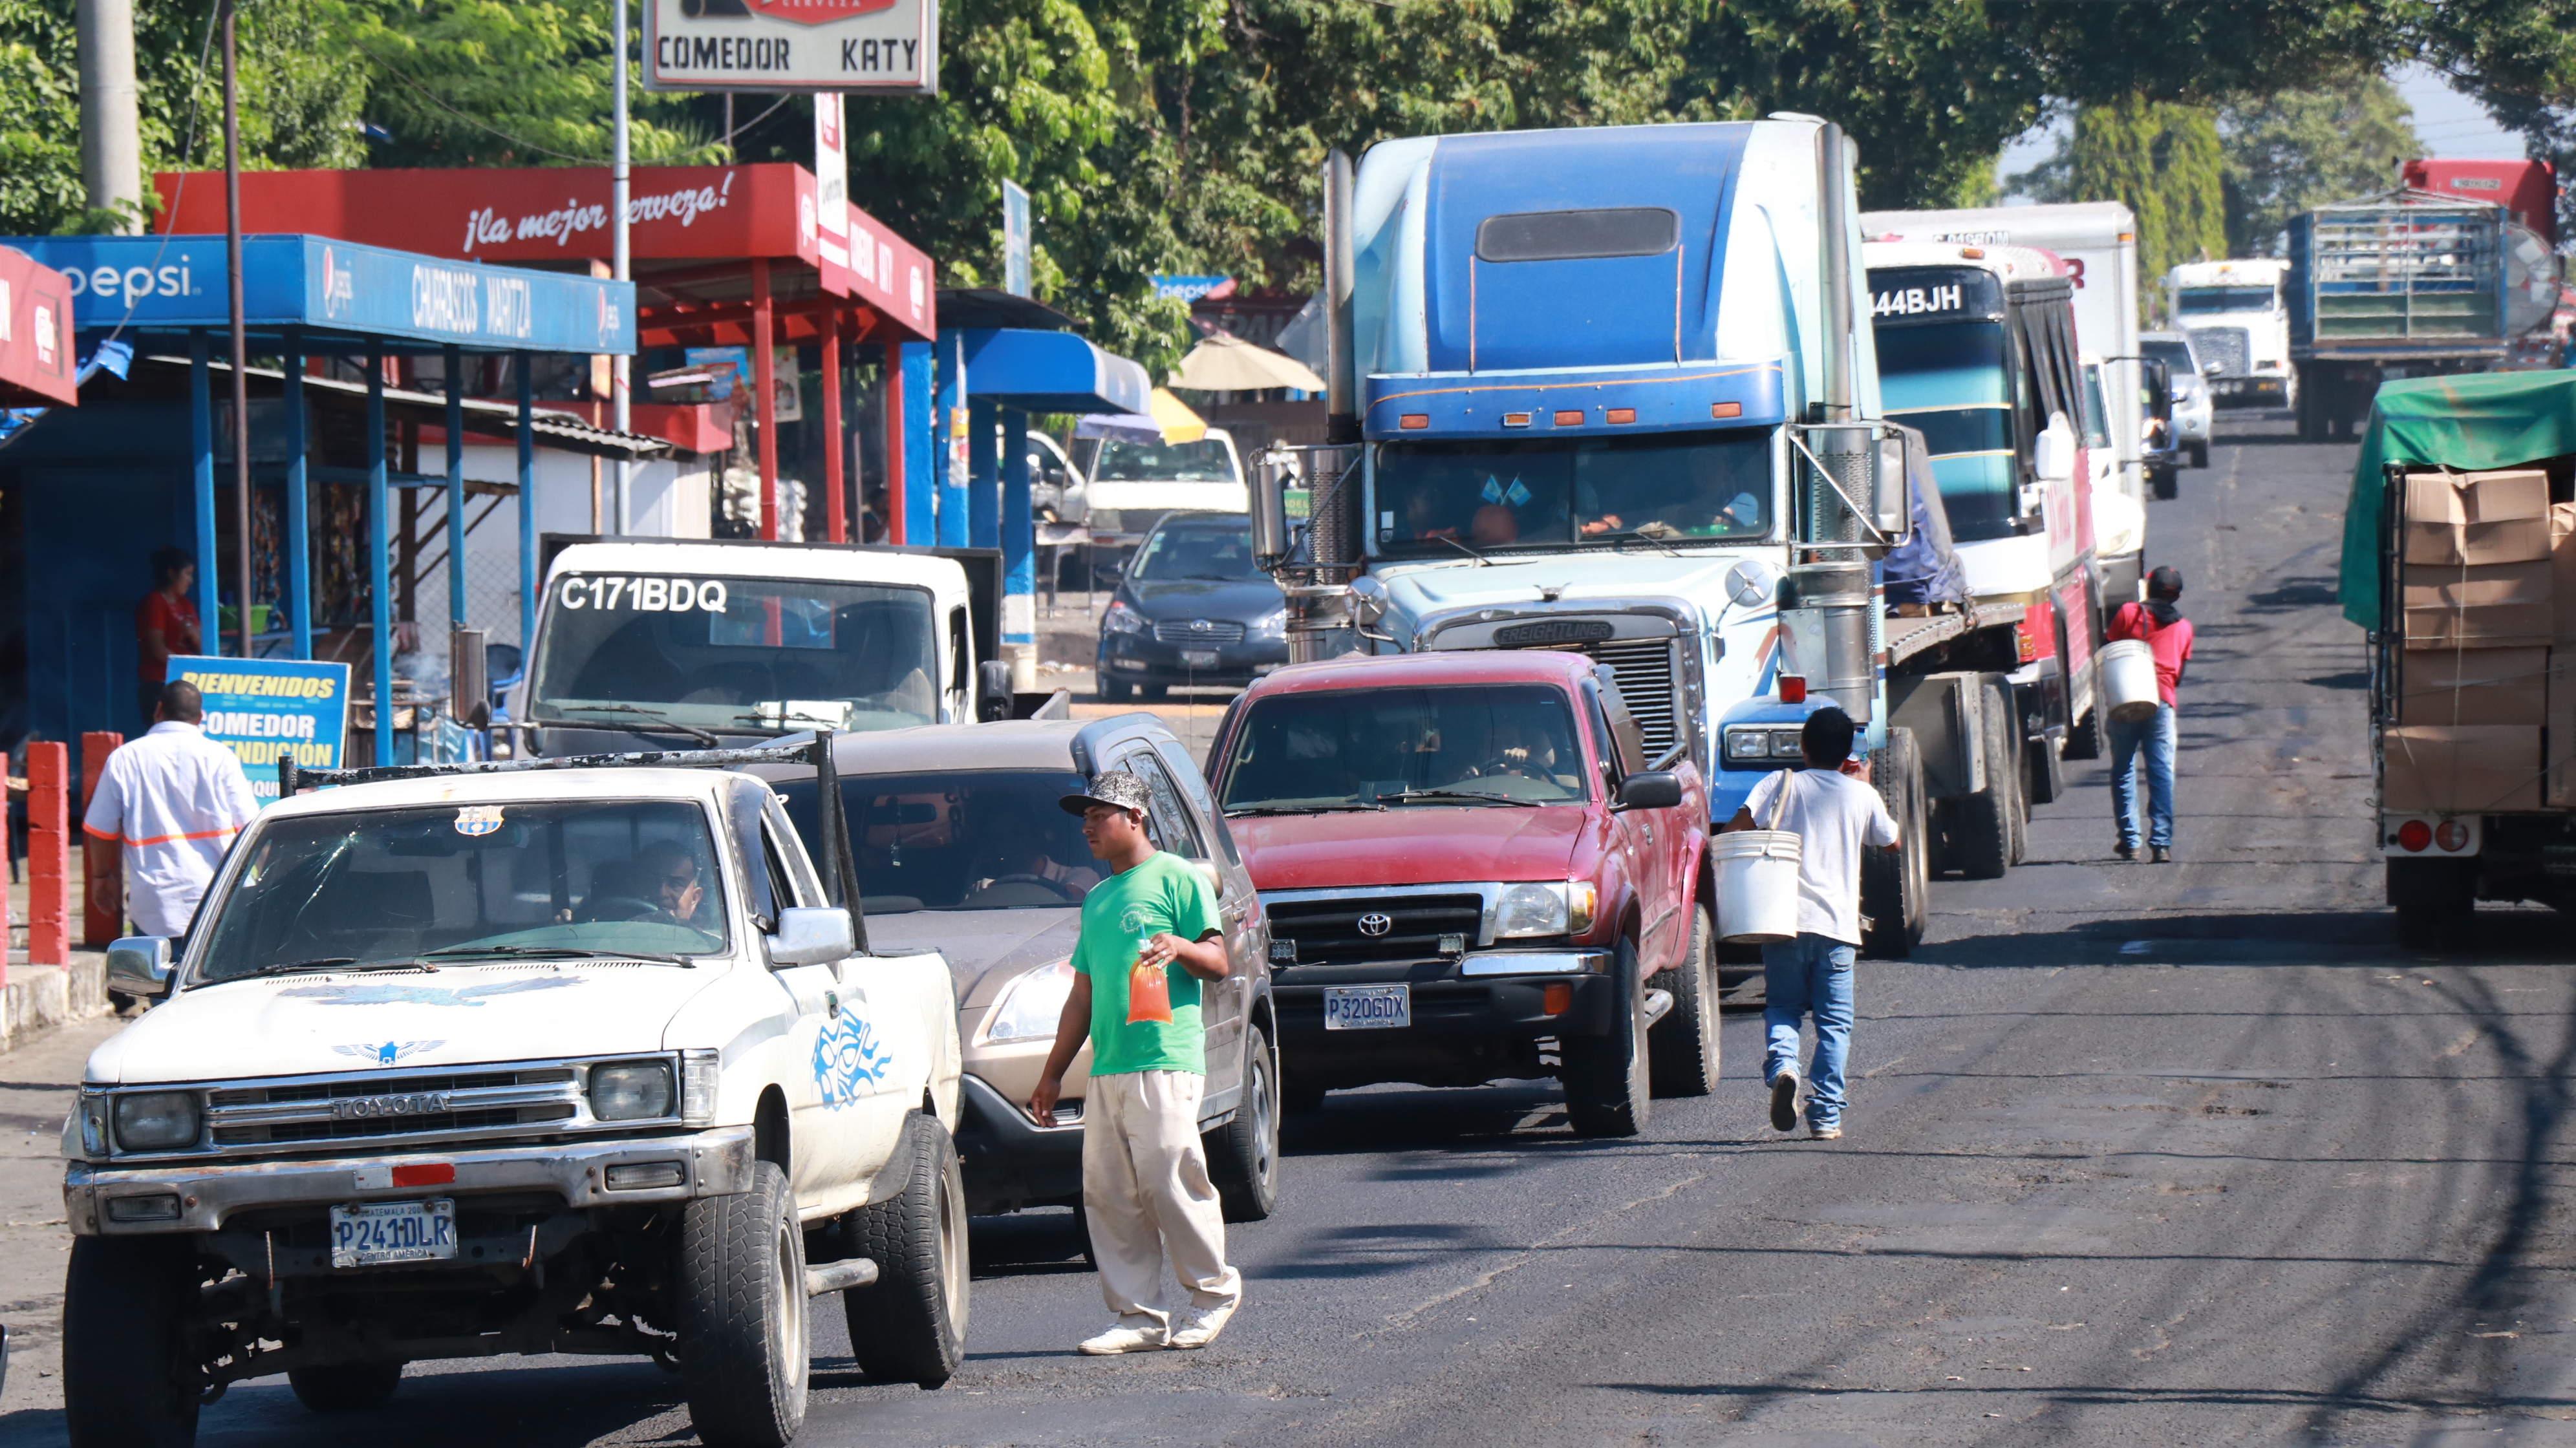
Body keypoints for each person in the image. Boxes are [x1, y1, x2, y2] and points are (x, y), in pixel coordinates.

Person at [1029, 771, 1243, 1356]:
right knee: (1110, 1194)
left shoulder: (1178, 876)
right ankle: (1138, 1317)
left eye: (1101, 814)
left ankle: (1213, 1294)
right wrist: (1051, 1073)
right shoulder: (1097, 899)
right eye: (1085, 817)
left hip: (1166, 1056)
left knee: (1170, 1177)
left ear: (1136, 818)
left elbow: (1218, 960)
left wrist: (1180, 947)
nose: (1089, 826)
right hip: (1108, 1069)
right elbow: (1083, 996)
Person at [1721, 706, 1898, 1141]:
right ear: (1847, 754)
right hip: (1838, 930)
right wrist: (1866, 785)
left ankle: (1783, 1066)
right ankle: (1825, 1117)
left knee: (1783, 1007)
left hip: (1782, 922)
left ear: (1802, 746)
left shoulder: (1778, 784)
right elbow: (1893, 842)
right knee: (1834, 1025)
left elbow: (1734, 832)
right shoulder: (1861, 795)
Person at [82, 680, 259, 952]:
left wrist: (101, 877)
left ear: (159, 710)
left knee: (162, 990)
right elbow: (250, 826)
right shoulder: (220, 757)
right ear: (201, 718)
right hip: (218, 899)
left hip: (156, 906)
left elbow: (101, 829)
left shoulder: (126, 758)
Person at [2107, 565, 2194, 864]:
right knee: (2161, 773)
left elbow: (2113, 648)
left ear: (2149, 588)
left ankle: (2130, 841)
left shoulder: (2130, 613)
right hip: (2162, 702)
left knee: (2124, 768)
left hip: (2126, 699)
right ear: (2177, 596)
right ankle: (2161, 843)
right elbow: (2179, 672)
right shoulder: (2184, 628)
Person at [134, 547, 200, 732]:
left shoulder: (186, 604)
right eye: (187, 574)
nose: (191, 580)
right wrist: (183, 666)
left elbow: (202, 645)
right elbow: (157, 649)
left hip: (185, 683)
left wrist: (193, 635)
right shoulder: (155, 602)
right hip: (159, 683)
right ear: (172, 574)